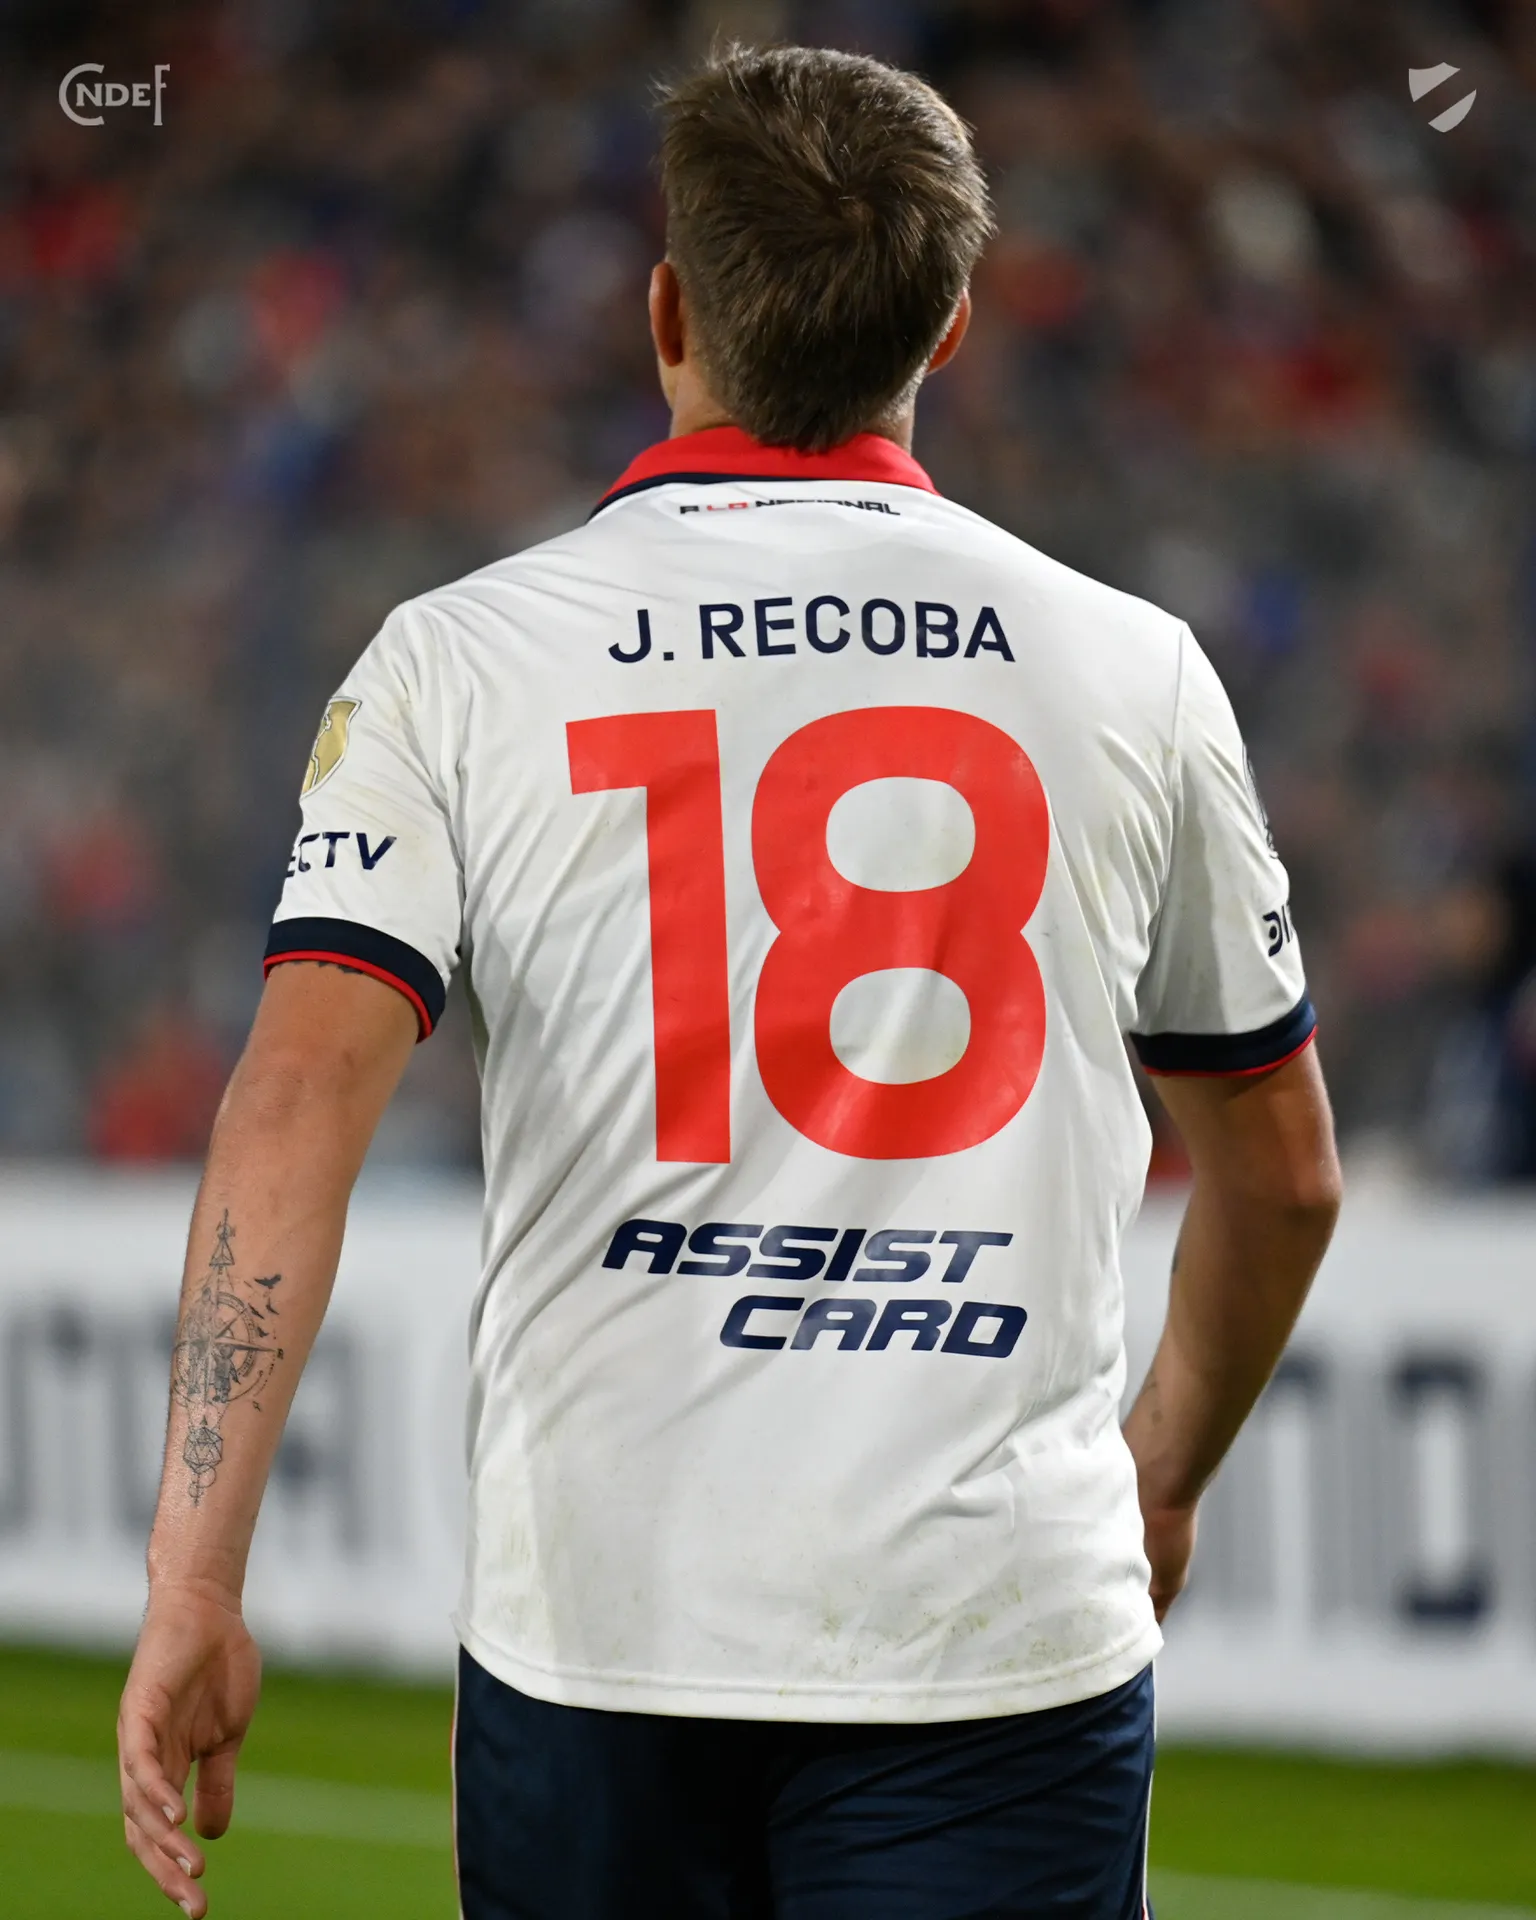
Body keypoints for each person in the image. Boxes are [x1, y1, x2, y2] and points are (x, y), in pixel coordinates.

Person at [118, 43, 1341, 1920]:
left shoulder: (459, 662)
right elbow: (1285, 1175)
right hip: (997, 1642)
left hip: (600, 1644)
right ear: (947, 333)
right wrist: (1158, 1475)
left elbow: (291, 1109)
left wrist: (195, 1577)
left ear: (669, 313)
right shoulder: (1135, 670)